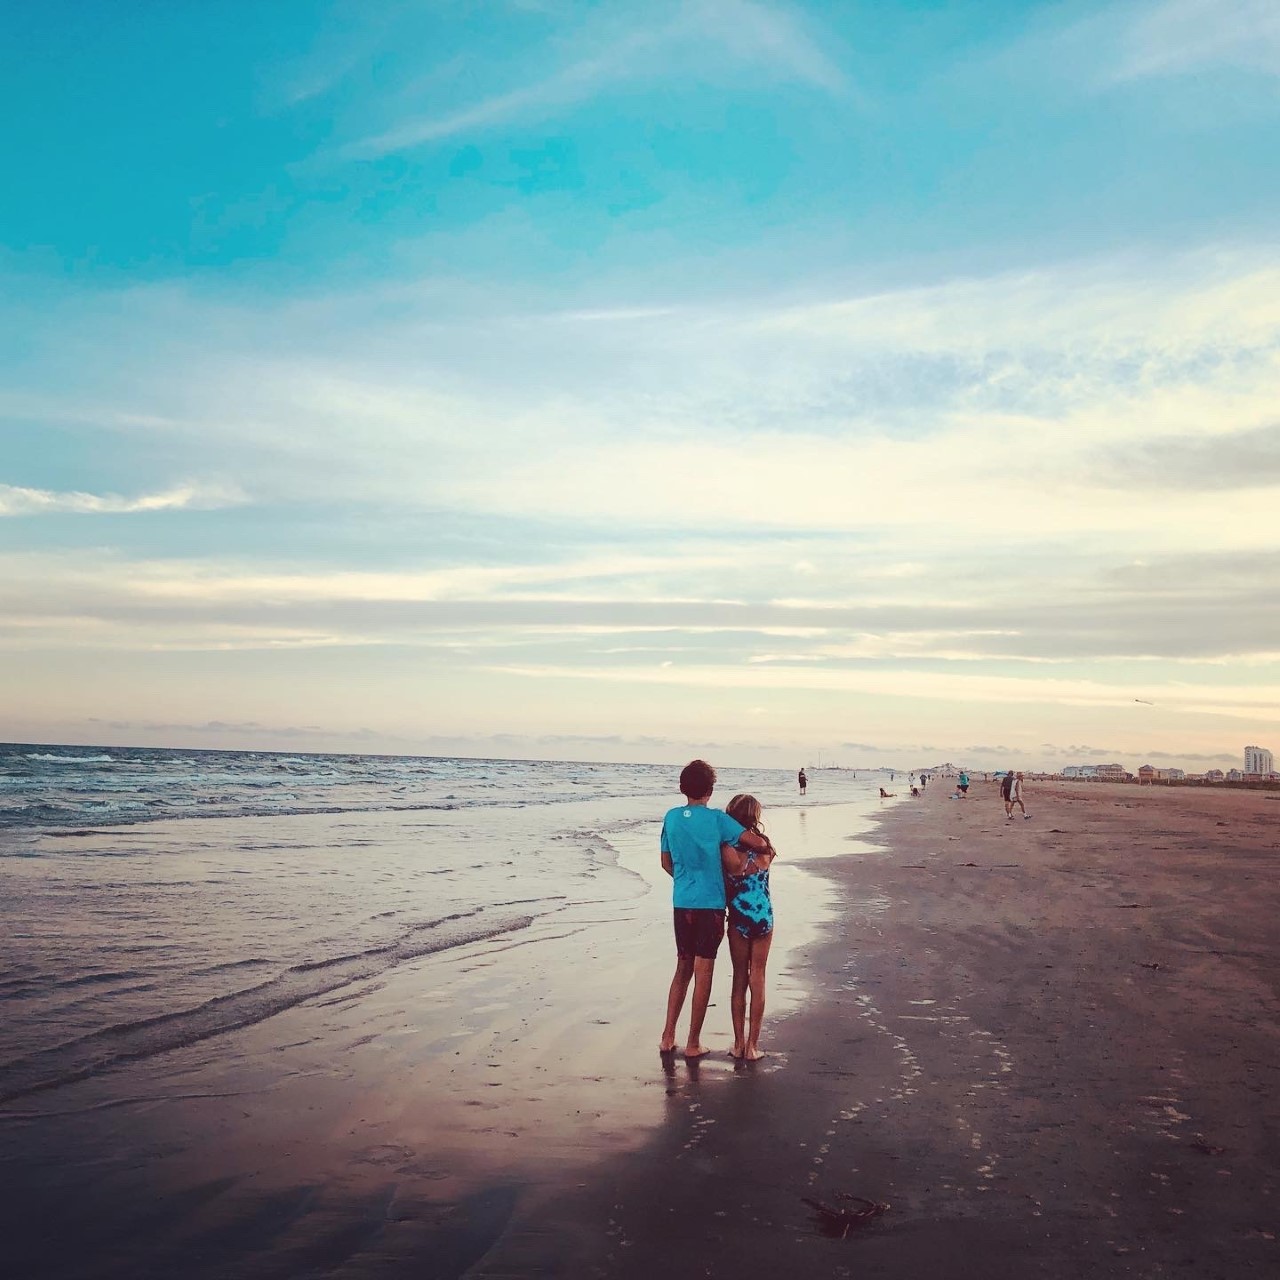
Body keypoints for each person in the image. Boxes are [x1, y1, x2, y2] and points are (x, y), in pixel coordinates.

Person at [659, 760, 770, 1058]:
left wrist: (686, 880)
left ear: (683, 788)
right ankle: (693, 1042)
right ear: (710, 790)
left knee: (682, 967)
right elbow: (754, 842)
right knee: (703, 970)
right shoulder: (717, 820)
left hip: (682, 901)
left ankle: (668, 1036)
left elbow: (666, 862)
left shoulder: (670, 818)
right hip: (710, 906)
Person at [720, 794, 776, 1061]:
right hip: (763, 915)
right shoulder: (766, 849)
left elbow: (727, 879)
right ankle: (754, 1046)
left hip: (739, 916)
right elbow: (766, 855)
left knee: (739, 977)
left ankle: (739, 1043)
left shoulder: (727, 851)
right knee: (759, 977)